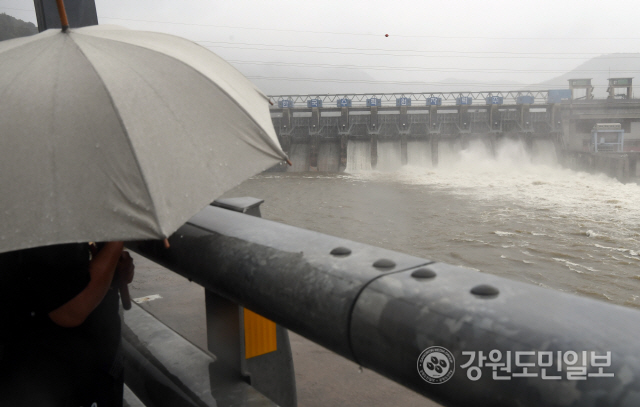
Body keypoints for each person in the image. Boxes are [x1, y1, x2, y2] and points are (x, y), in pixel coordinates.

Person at [0, 241, 134, 407]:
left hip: (92, 360)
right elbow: (71, 309)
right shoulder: (47, 227)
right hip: (48, 376)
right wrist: (117, 238)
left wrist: (112, 262)